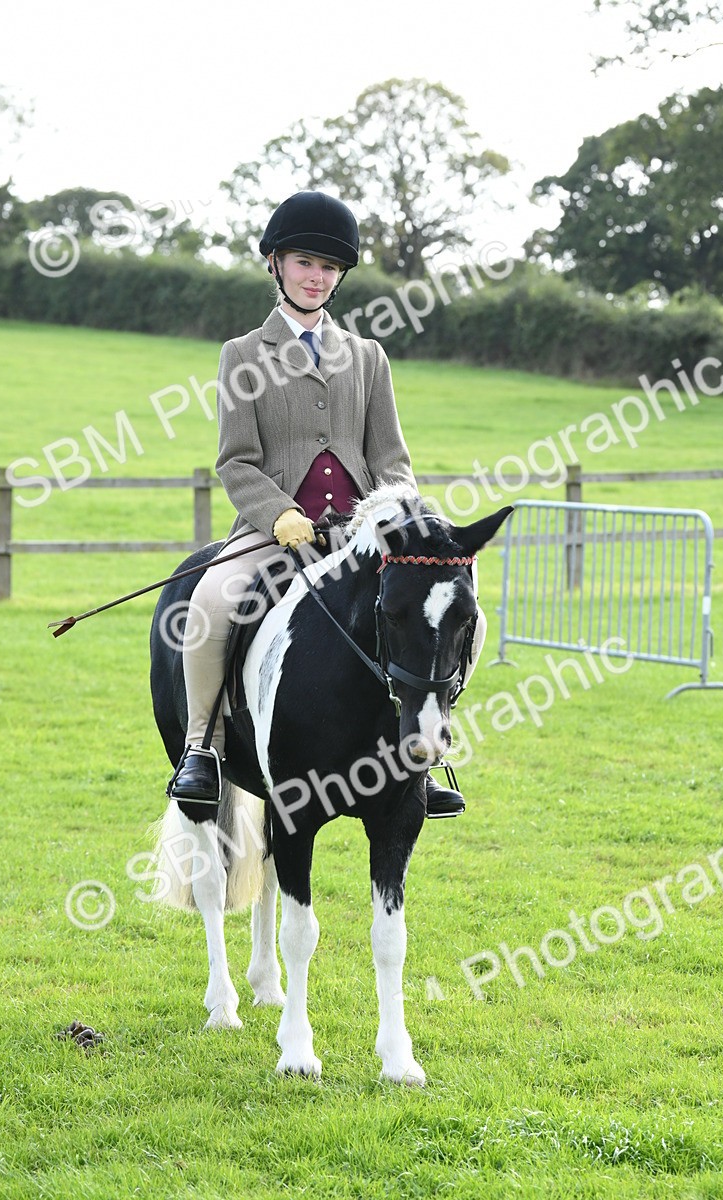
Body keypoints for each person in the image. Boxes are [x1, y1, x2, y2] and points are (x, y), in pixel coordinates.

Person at [169, 190, 478, 817]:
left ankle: (429, 746)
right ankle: (204, 747)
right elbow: (235, 459)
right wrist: (279, 512)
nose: (317, 278)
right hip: (274, 530)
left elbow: (391, 458)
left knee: (450, 603)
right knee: (211, 601)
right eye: (305, 263)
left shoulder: (368, 357)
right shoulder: (243, 355)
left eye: (329, 268)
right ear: (277, 265)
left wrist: (405, 519)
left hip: (360, 535)